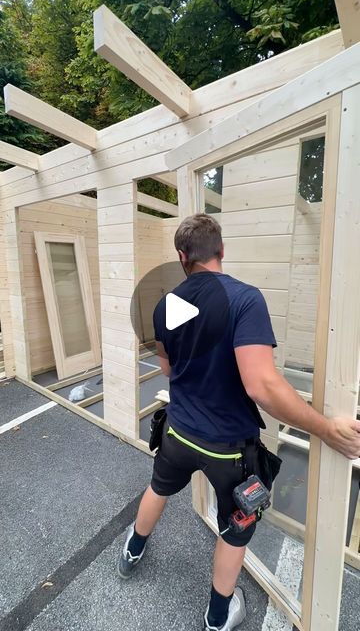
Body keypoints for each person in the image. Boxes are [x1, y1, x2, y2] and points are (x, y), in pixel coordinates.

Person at [117, 214, 360, 631]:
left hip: (177, 432)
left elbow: (170, 371)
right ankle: (217, 616)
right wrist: (324, 427)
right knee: (236, 527)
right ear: (221, 251)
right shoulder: (245, 299)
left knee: (159, 486)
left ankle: (132, 551)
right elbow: (262, 385)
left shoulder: (166, 306)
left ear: (182, 257)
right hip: (228, 449)